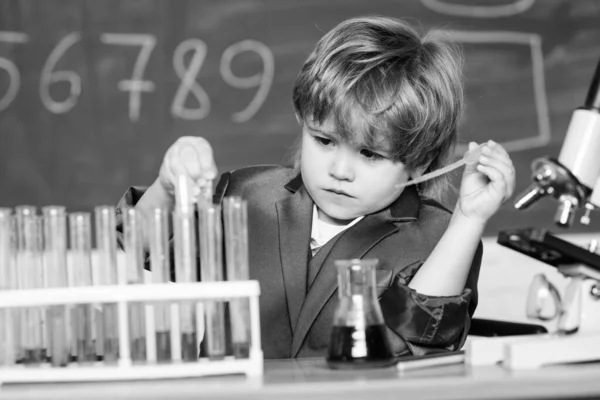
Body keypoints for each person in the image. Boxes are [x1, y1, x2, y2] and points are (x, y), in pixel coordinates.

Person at [117, 15, 515, 359]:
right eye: (324, 140)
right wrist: (169, 189)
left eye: (370, 154)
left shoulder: (437, 238)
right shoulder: (245, 196)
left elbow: (425, 340)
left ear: (419, 161)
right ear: (302, 121)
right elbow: (138, 248)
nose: (340, 170)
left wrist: (467, 219)